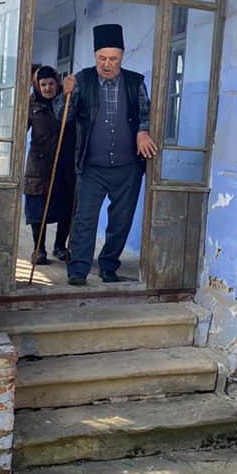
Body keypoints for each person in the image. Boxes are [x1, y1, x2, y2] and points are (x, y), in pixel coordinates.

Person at [58, 24, 157, 285]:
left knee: (121, 221)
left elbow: (145, 113)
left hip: (128, 167)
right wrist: (65, 93)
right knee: (85, 219)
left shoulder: (135, 82)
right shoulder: (82, 80)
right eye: (102, 58)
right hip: (92, 166)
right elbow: (62, 117)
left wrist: (143, 131)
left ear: (122, 56)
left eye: (113, 58)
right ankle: (78, 270)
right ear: (95, 56)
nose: (107, 64)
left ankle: (108, 266)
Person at [24, 65, 74, 264]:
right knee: (38, 208)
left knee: (65, 207)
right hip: (39, 164)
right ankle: (39, 249)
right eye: (43, 84)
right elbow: (20, 127)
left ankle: (60, 246)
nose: (47, 88)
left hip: (64, 162)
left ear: (57, 83)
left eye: (51, 84)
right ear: (37, 85)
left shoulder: (66, 100)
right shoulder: (31, 104)